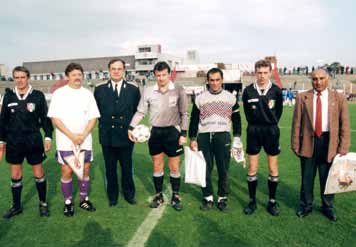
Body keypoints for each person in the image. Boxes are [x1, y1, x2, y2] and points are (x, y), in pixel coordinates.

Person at [128, 61, 188, 211]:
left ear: (169, 74)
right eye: (158, 75)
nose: (161, 78)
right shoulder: (148, 90)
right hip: (155, 133)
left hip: (173, 133)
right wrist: (131, 127)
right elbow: (141, 111)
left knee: (174, 166)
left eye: (164, 75)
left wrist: (184, 133)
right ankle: (159, 195)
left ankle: (175, 195)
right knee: (157, 165)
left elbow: (184, 113)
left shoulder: (179, 89)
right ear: (154, 75)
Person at [291, 69, 350, 221]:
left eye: (321, 78)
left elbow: (344, 124)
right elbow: (296, 122)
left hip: (329, 142)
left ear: (328, 78)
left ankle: (327, 207)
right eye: (315, 79)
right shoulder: (302, 97)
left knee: (327, 178)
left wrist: (343, 147)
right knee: (307, 178)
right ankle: (306, 206)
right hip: (308, 142)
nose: (318, 82)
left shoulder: (339, 97)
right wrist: (295, 143)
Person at [48, 63, 100, 217]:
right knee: (67, 170)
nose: (77, 77)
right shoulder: (59, 94)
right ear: (67, 77)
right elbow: (55, 119)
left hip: (85, 139)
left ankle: (84, 199)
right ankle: (68, 202)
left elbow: (93, 117)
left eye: (79, 74)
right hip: (66, 140)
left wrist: (83, 135)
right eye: (74, 75)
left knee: (84, 169)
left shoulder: (88, 94)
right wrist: (72, 136)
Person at [0, 66, 53, 219]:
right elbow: (2, 121)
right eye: (16, 77)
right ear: (14, 79)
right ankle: (16, 206)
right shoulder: (8, 96)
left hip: (33, 140)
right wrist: (1, 141)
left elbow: (44, 118)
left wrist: (48, 136)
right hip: (14, 141)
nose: (20, 80)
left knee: (38, 172)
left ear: (28, 78)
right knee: (16, 174)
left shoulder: (37, 96)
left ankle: (43, 204)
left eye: (22, 77)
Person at [189, 68, 242, 211]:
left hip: (222, 135)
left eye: (217, 80)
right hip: (204, 136)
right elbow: (194, 120)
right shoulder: (200, 98)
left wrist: (237, 136)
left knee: (223, 169)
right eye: (211, 80)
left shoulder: (230, 98)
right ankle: (208, 198)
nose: (214, 83)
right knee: (205, 168)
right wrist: (193, 138)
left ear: (222, 80)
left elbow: (237, 119)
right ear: (208, 81)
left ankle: (222, 198)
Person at [94, 59, 140, 206]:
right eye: (113, 68)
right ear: (109, 70)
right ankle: (112, 197)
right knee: (110, 168)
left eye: (119, 69)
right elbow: (95, 112)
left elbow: (137, 112)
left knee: (127, 168)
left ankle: (129, 194)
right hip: (107, 136)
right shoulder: (100, 89)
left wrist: (134, 130)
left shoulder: (133, 89)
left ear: (124, 71)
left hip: (126, 136)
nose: (116, 71)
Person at [242, 59, 283, 216]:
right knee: (252, 168)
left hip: (271, 131)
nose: (262, 76)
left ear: (270, 73)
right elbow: (247, 111)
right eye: (259, 72)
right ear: (255, 72)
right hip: (253, 131)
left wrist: (270, 123)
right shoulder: (248, 91)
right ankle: (252, 201)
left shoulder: (276, 91)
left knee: (273, 168)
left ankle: (272, 201)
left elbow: (278, 112)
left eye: (265, 72)